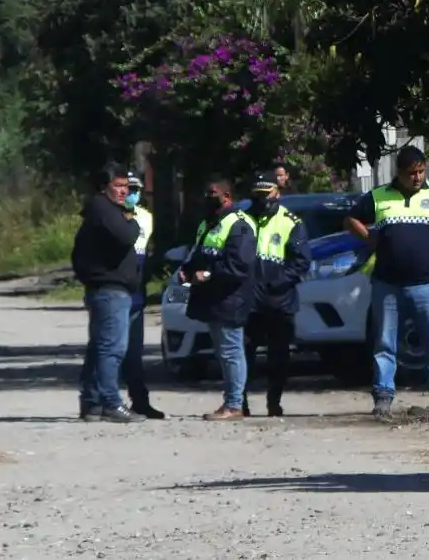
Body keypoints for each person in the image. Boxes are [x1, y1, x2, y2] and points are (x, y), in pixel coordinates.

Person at [343, 145, 429, 417]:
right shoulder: (378, 196)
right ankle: (383, 396)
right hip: (387, 284)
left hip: (428, 282)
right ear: (399, 173)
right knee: (385, 342)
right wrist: (369, 237)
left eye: (422, 171)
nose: (418, 177)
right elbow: (351, 219)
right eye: (412, 173)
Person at [72, 163, 146, 423]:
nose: (124, 191)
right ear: (104, 187)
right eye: (118, 186)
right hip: (109, 290)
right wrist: (132, 220)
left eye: (127, 186)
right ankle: (110, 402)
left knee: (100, 348)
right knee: (112, 349)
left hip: (110, 289)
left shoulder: (102, 210)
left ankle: (92, 403)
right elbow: (127, 236)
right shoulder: (104, 210)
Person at [180, 176, 258, 421]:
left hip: (231, 297)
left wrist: (209, 274)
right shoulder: (209, 223)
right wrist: (188, 268)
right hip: (213, 298)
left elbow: (239, 265)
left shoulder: (240, 224)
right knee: (224, 351)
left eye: (212, 193)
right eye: (205, 192)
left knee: (231, 351)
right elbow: (202, 252)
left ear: (227, 196)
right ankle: (232, 401)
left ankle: (234, 404)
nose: (207, 197)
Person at [242, 170, 312, 417]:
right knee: (243, 354)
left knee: (278, 357)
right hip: (248, 301)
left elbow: (301, 262)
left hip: (279, 301)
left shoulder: (291, 222)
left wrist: (276, 283)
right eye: (258, 194)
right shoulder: (242, 220)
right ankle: (240, 402)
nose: (263, 199)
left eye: (267, 194)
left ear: (278, 193)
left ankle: (274, 402)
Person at [119, 173, 166, 419]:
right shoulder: (107, 215)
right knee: (111, 351)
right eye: (127, 189)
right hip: (114, 292)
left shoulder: (145, 218)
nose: (130, 194)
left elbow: (143, 253)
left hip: (136, 292)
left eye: (134, 189)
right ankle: (102, 401)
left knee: (134, 354)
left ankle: (140, 401)